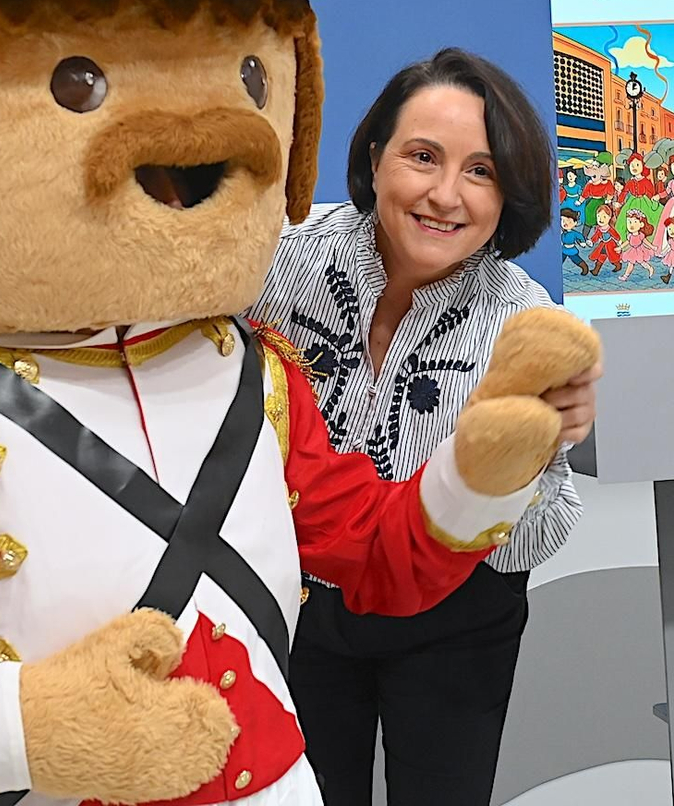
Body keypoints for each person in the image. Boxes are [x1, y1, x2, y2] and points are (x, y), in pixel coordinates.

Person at [249, 48, 602, 806]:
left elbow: (534, 543)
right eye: (422, 157)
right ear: (374, 159)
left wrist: (530, 460)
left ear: (509, 194)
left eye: (481, 171)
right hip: (293, 598)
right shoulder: (277, 259)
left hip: (455, 615)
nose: (446, 195)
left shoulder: (528, 323)